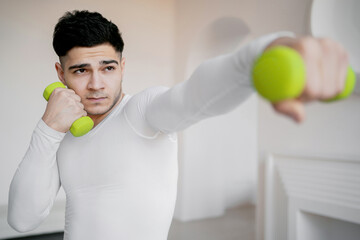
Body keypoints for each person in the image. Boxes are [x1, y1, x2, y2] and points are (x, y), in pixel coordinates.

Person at [8, 10, 349, 240]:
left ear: (123, 67)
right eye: (81, 70)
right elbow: (22, 219)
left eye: (108, 68)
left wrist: (259, 55)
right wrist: (48, 129)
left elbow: (194, 96)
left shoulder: (141, 111)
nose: (96, 84)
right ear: (60, 74)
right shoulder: (61, 133)